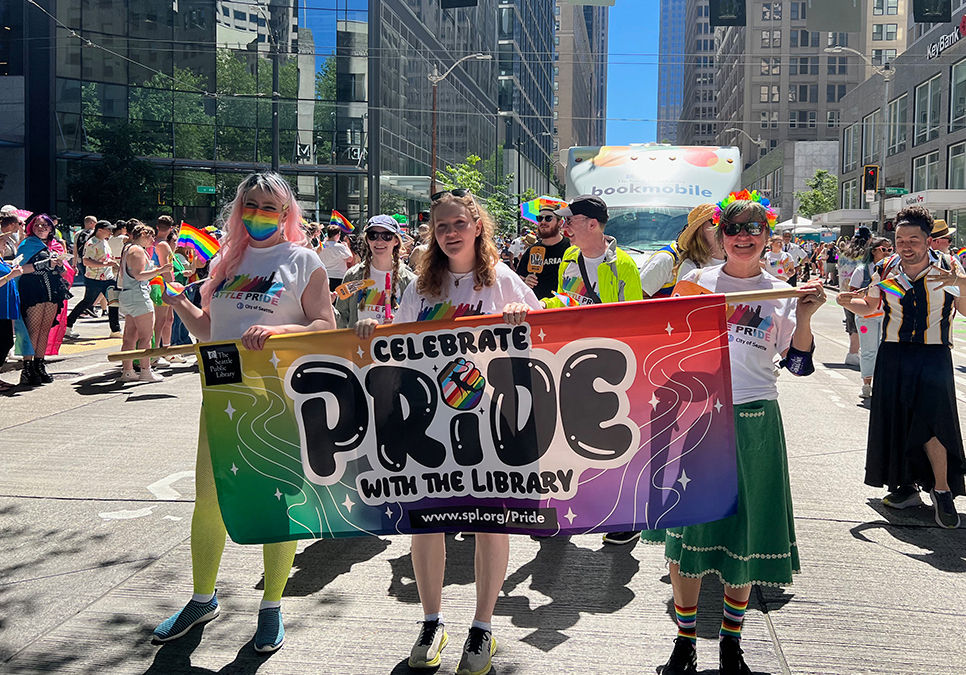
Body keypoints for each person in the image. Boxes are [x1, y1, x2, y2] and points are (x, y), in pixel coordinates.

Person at [354, 189, 539, 675]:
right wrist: (375, 330)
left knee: (489, 523)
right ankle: (432, 621)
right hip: (430, 422)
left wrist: (527, 317)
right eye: (441, 227)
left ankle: (483, 627)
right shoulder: (422, 287)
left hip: (490, 423)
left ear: (478, 226)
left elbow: (547, 336)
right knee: (426, 523)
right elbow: (398, 347)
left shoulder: (503, 280)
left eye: (458, 223)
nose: (450, 233)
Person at [643, 192, 826, 675]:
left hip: (755, 421)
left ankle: (730, 643)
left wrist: (805, 314)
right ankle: (684, 643)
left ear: (767, 237)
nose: (743, 237)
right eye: (733, 229)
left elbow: (801, 365)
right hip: (697, 419)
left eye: (753, 230)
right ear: (719, 236)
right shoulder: (693, 283)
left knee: (742, 536)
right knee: (687, 535)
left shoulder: (780, 291)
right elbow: (662, 345)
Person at [154, 172, 335, 652]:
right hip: (221, 391)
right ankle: (201, 598)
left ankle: (271, 606)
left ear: (286, 213)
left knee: (279, 500)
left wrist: (278, 334)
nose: (259, 213)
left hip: (278, 396)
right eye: (250, 204)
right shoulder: (224, 261)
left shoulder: (303, 261)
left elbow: (324, 325)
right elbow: (210, 331)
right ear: (239, 210)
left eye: (270, 206)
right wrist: (179, 304)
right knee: (209, 499)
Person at [837, 205, 966, 529]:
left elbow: (964, 310)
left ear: (928, 241)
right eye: (900, 239)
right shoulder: (887, 268)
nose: (906, 245)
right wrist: (845, 301)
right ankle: (906, 487)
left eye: (914, 240)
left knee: (932, 422)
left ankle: (942, 489)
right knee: (898, 422)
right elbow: (871, 307)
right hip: (893, 354)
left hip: (933, 354)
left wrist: (961, 284)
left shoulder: (948, 268)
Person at [541, 194, 644, 545]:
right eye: (563, 220)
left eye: (570, 220)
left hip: (609, 366)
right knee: (566, 436)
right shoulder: (569, 256)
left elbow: (633, 318)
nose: (563, 226)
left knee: (612, 440)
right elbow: (565, 298)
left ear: (593, 225)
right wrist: (545, 305)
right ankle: (561, 508)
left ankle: (624, 517)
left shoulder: (623, 265)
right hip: (570, 359)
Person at [15, 214, 70, 385]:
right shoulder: (27, 244)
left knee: (45, 330)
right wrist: (45, 263)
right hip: (33, 289)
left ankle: (40, 364)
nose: (41, 228)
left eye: (45, 226)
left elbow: (62, 271)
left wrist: (59, 265)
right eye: (37, 225)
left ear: (51, 229)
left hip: (52, 291)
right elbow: (19, 267)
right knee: (33, 329)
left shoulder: (53, 245)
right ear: (31, 227)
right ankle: (28, 367)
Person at [334, 215, 416, 329]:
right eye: (373, 235)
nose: (379, 241)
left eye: (386, 236)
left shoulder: (409, 280)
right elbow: (341, 320)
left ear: (396, 241)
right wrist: (327, 306)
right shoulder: (353, 276)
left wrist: (397, 325)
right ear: (368, 240)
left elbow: (415, 323)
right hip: (360, 346)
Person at [117, 222, 172, 383]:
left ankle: (127, 371)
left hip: (127, 295)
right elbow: (139, 275)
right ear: (142, 235)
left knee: (129, 337)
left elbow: (125, 274)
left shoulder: (127, 249)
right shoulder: (137, 250)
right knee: (146, 336)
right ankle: (145, 370)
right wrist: (160, 270)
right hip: (139, 295)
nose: (152, 240)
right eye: (150, 236)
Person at [840, 237, 892, 399]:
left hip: (888, 316)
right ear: (874, 250)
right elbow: (853, 295)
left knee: (888, 351)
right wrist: (869, 290)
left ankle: (883, 383)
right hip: (866, 315)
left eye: (890, 249)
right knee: (869, 350)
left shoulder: (894, 270)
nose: (889, 253)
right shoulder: (862, 270)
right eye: (885, 249)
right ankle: (867, 384)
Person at [639, 203, 724, 298]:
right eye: (716, 221)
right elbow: (638, 297)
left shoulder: (735, 259)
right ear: (700, 230)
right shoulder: (665, 259)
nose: (722, 226)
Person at [65, 220, 122, 339]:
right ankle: (68, 324)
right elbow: (86, 261)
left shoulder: (105, 242)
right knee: (87, 302)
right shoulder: (91, 243)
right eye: (109, 229)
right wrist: (106, 264)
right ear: (100, 230)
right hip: (94, 278)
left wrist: (110, 264)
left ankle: (115, 329)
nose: (111, 232)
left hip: (108, 277)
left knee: (113, 302)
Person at [515, 206, 571, 301]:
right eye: (540, 218)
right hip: (538, 307)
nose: (543, 222)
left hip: (565, 307)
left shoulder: (571, 247)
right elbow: (517, 281)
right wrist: (525, 281)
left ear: (560, 223)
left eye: (548, 218)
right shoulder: (531, 251)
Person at [838, 227, 870, 367]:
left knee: (851, 324)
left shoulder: (844, 253)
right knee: (861, 323)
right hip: (859, 292)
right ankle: (854, 353)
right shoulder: (865, 255)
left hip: (844, 292)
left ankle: (853, 352)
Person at [0, 251, 22, 391]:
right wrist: (11, 276)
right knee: (4, 342)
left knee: (6, 341)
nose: (4, 243)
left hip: (4, 308)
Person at [318, 224, 354, 291]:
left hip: (324, 275)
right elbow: (350, 258)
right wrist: (347, 247)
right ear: (337, 235)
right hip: (338, 276)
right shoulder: (340, 247)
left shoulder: (321, 245)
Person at [72, 215, 96, 282]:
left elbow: (75, 251)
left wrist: (74, 265)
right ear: (91, 223)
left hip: (81, 261)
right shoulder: (95, 234)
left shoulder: (78, 234)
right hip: (94, 260)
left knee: (86, 280)